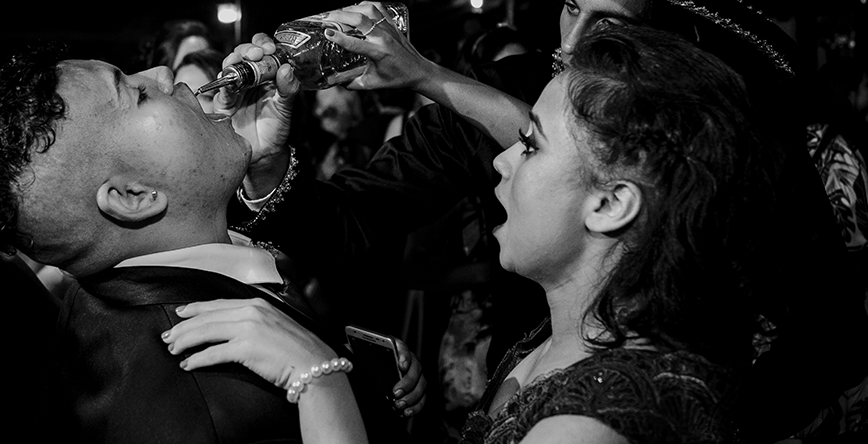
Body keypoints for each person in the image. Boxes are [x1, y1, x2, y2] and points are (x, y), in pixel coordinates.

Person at [224, 0, 868, 442]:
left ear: (678, 46)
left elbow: (831, 341)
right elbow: (348, 224)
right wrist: (268, 161)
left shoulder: (753, 144)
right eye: (568, 7)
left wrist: (659, 414)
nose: (573, 44)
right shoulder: (504, 87)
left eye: (612, 25)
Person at [163, 24, 779, 443]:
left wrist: (317, 382)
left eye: (529, 145)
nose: (503, 161)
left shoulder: (588, 426)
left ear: (614, 203)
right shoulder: (564, 334)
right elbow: (348, 219)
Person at [0, 44, 424, 443]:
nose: (161, 72)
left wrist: (360, 377)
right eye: (136, 94)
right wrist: (325, 380)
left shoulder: (114, 296)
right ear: (134, 197)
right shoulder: (211, 400)